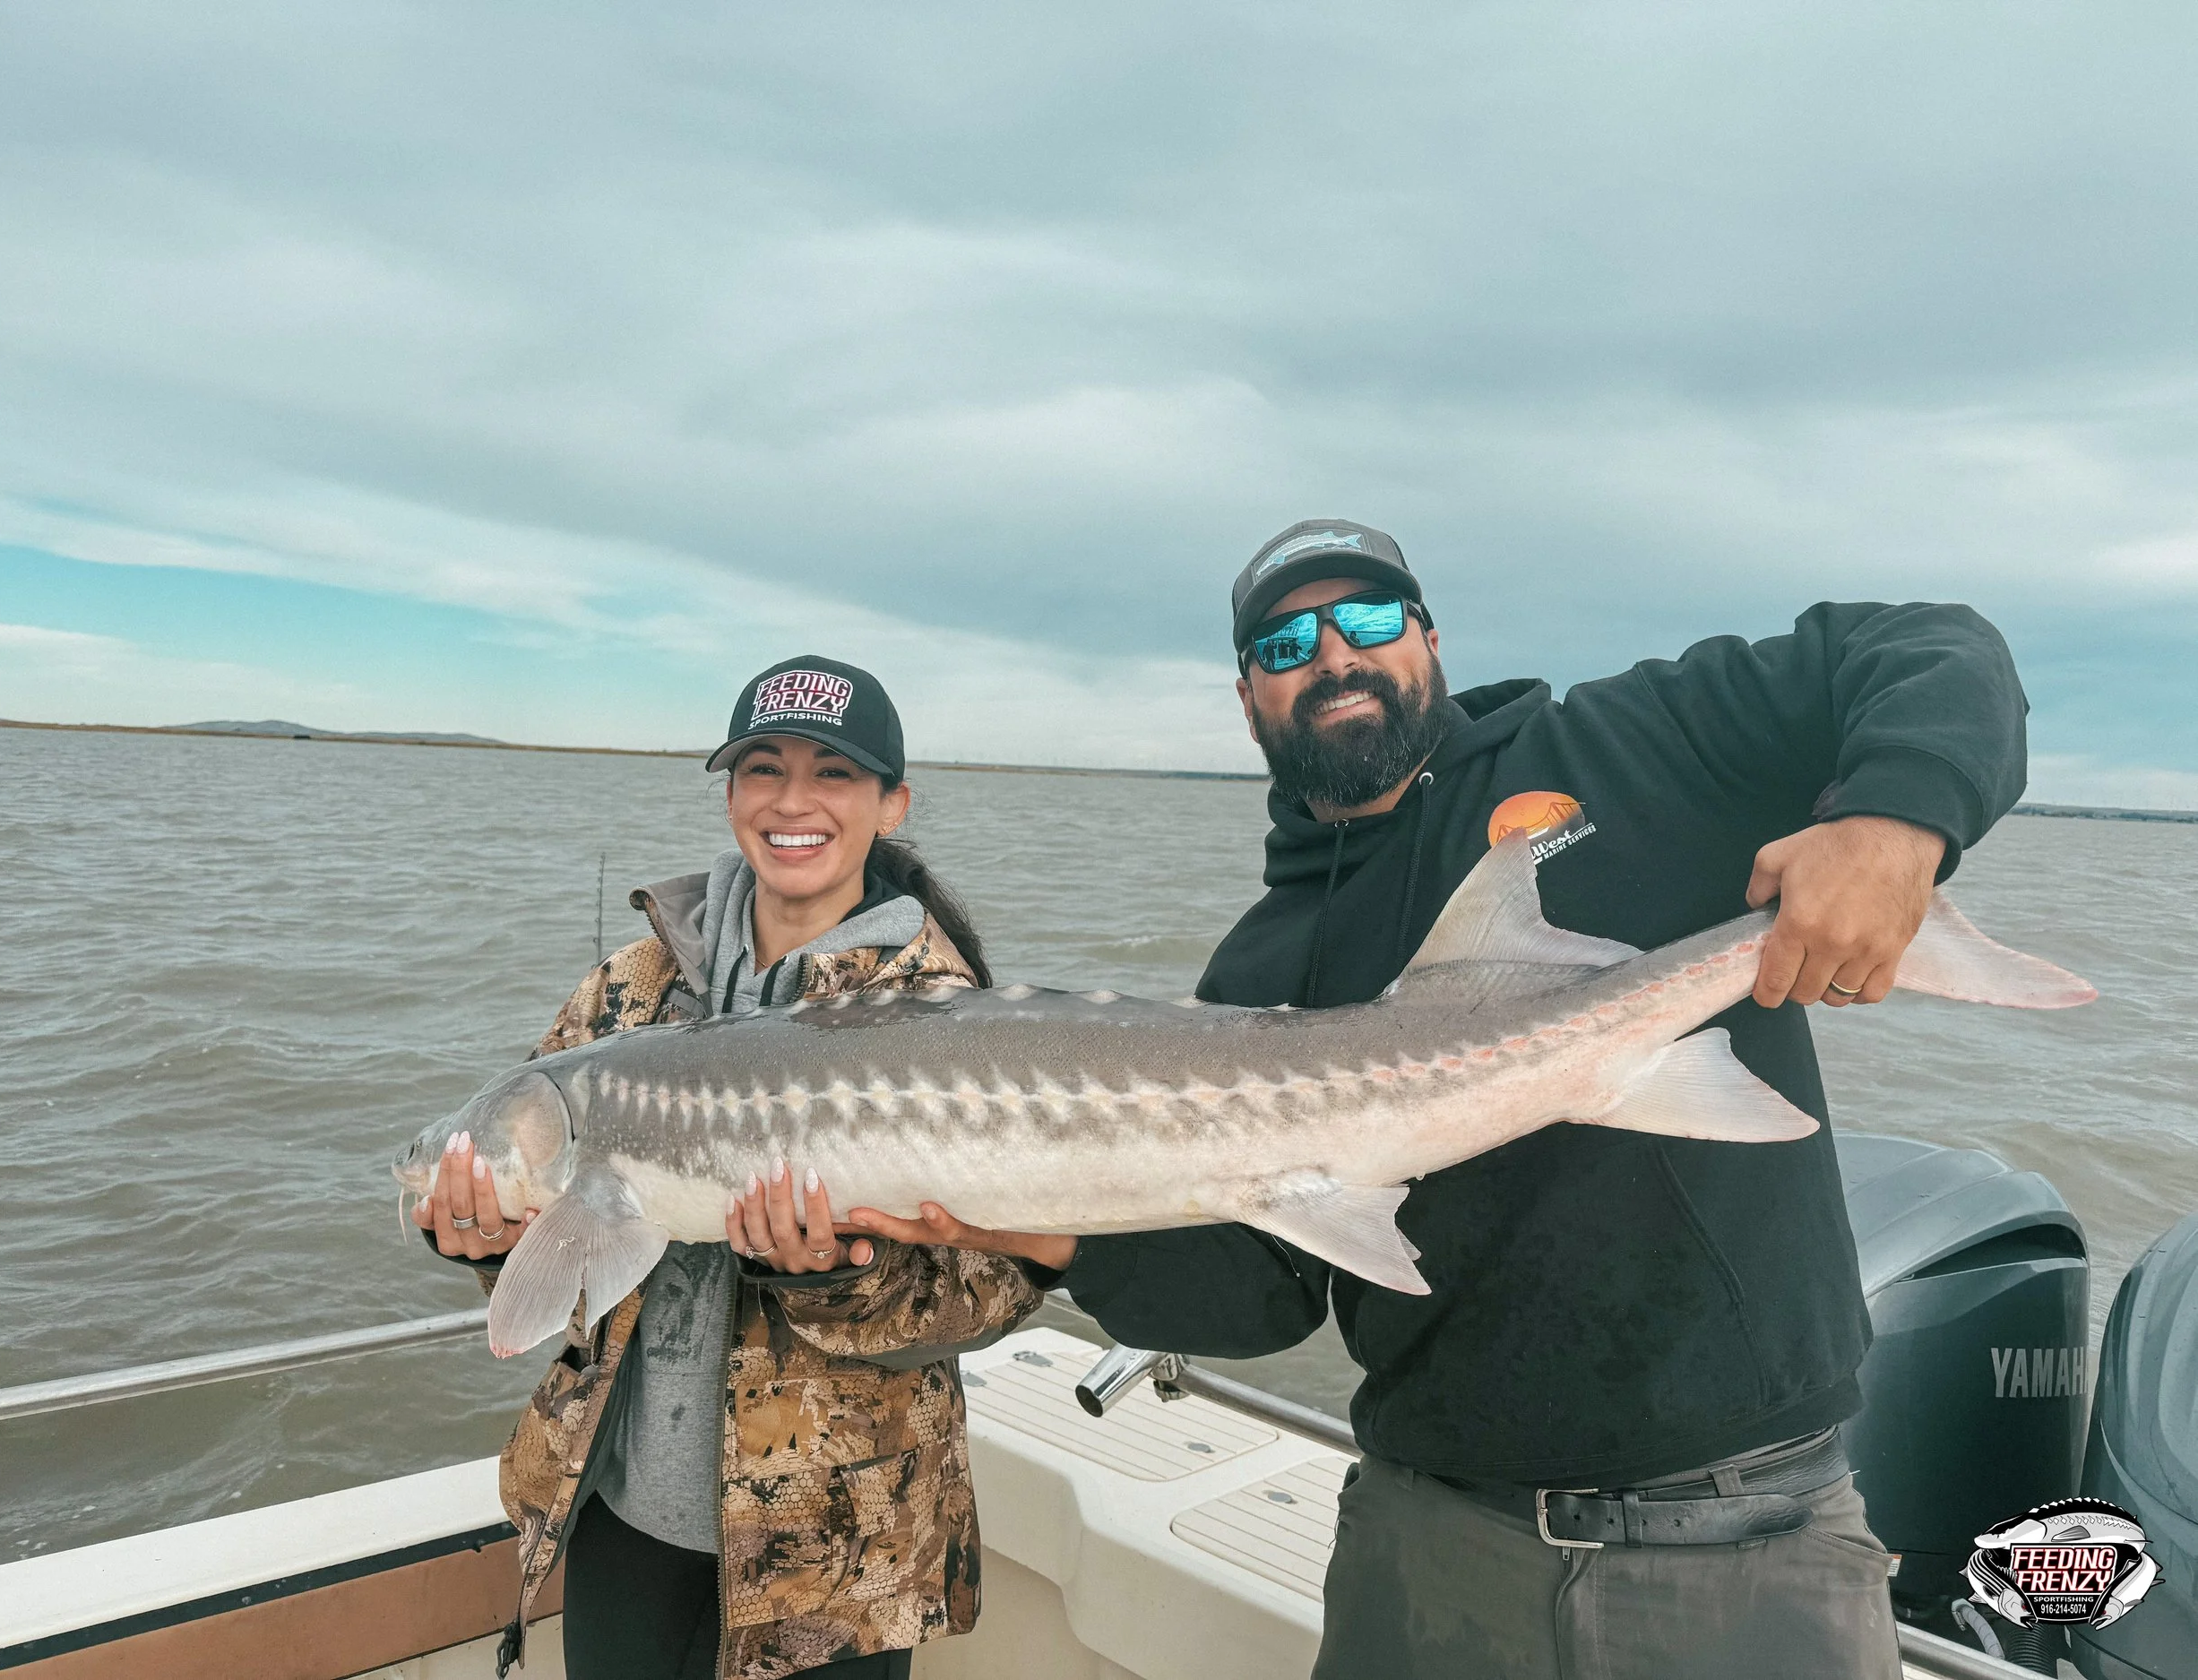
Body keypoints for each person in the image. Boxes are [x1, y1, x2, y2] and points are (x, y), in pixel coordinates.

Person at [849, 521, 2030, 1680]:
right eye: (1284, 643)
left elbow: (1934, 646)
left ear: (1428, 635)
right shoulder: (1263, 969)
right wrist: (1017, 1224)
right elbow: (1260, 1288)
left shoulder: (1636, 740)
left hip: (1746, 1535)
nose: (1331, 655)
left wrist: (1894, 822)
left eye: (1364, 617)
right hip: (1427, 1546)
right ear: (1248, 695)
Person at [413, 654, 1043, 1680]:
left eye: (834, 774)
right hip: (621, 1508)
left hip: (837, 1553)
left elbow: (997, 1285)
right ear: (731, 794)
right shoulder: (632, 984)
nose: (794, 801)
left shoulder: (942, 1005)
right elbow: (557, 1221)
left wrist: (836, 1278)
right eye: (762, 768)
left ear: (892, 804)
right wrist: (476, 1234)